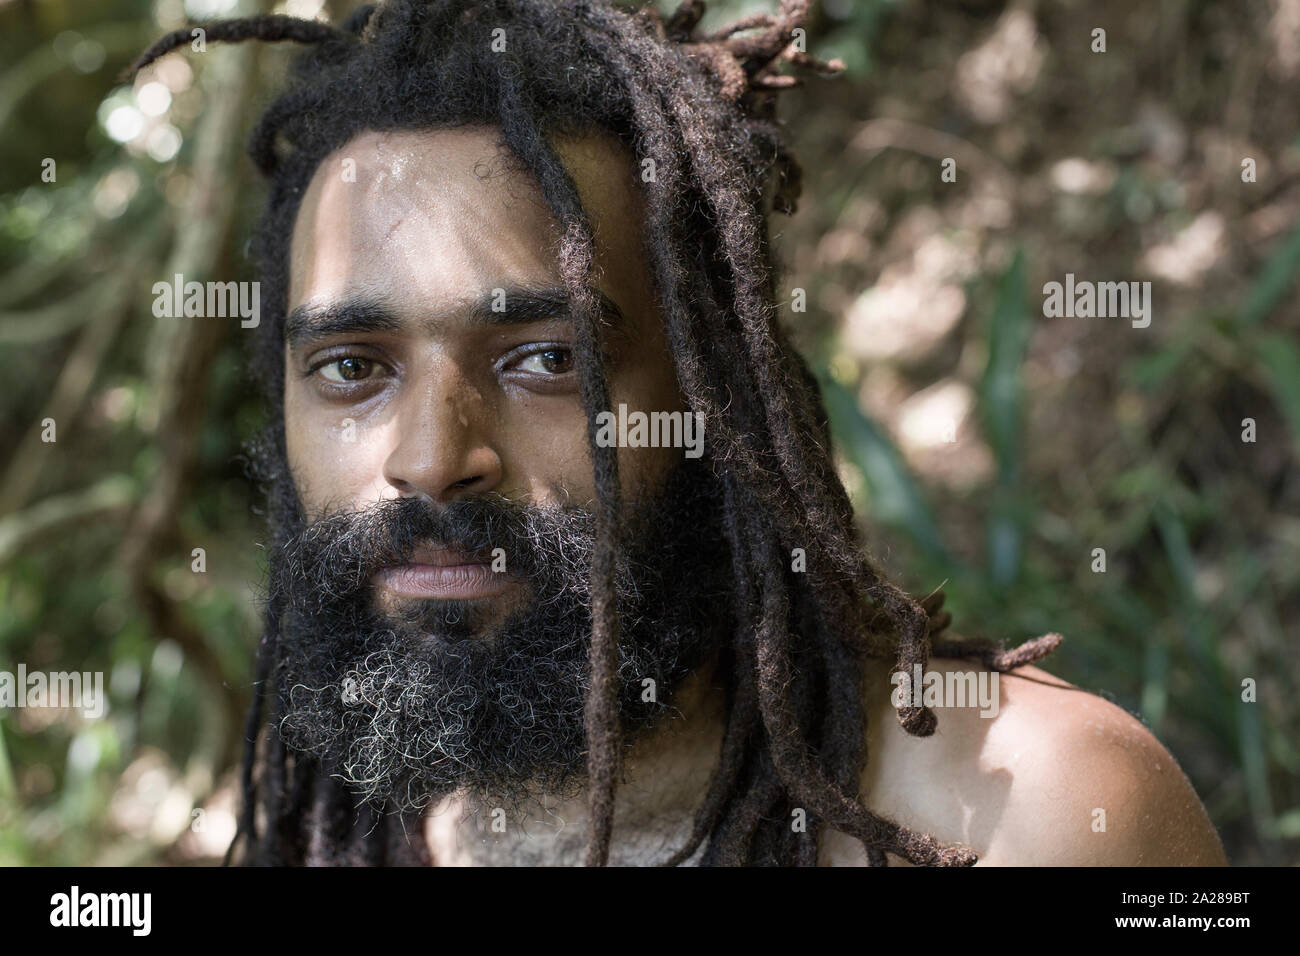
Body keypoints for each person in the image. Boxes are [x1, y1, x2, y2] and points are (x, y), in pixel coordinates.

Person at [131, 0, 1227, 866]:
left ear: (717, 398)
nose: (427, 456)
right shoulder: (338, 827)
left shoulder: (1032, 812)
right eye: (351, 369)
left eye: (546, 359)